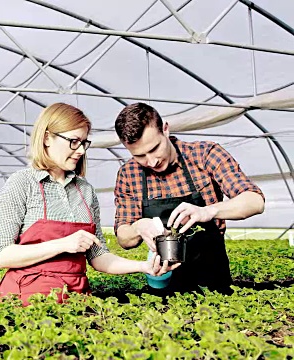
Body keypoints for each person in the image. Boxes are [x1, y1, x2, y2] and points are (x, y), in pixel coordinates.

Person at [0, 103, 176, 306]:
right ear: (46, 138)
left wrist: (144, 266)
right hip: (27, 301)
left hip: (76, 298)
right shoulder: (22, 183)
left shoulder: (85, 190)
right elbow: (1, 256)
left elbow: (99, 256)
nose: (80, 151)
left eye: (83, 143)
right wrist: (64, 244)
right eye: (73, 142)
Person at [113, 103, 265, 294]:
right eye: (140, 156)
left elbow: (255, 201)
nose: (151, 161)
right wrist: (138, 226)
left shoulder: (204, 154)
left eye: (154, 149)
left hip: (212, 279)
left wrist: (208, 211)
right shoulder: (129, 174)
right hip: (162, 280)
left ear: (165, 130)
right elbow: (124, 238)